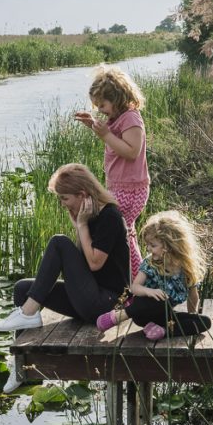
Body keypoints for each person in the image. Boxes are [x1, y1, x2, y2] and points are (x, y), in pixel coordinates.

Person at [0, 164, 130, 392]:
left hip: (107, 304)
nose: (62, 204)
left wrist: (81, 225)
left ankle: (28, 314)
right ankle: (20, 366)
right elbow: (84, 265)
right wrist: (80, 223)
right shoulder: (88, 214)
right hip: (90, 297)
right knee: (21, 289)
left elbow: (95, 263)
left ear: (83, 195)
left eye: (64, 198)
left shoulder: (110, 216)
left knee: (59, 242)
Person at [74, 64, 149, 281]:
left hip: (132, 188)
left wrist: (105, 135)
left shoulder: (131, 118)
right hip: (119, 187)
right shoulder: (117, 118)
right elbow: (114, 138)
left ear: (117, 98)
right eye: (97, 106)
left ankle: (135, 282)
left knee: (124, 234)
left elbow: (132, 151)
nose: (100, 110)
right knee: (125, 234)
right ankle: (133, 280)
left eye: (102, 105)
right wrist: (94, 125)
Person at [95, 210, 212, 340]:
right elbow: (135, 287)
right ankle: (118, 316)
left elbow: (193, 295)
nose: (149, 249)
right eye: (148, 245)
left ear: (170, 245)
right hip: (143, 311)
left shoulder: (186, 269)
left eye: (153, 245)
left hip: (165, 317)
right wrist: (149, 291)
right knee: (160, 299)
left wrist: (192, 316)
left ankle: (162, 331)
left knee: (205, 322)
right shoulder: (150, 263)